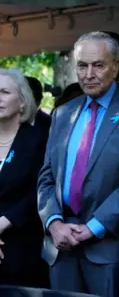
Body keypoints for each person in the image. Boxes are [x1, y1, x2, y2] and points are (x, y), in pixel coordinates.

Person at [37, 31, 119, 296]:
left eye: (98, 65)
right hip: (60, 247)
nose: (88, 74)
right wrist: (54, 223)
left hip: (108, 248)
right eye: (82, 65)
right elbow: (46, 175)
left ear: (116, 66)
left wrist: (93, 227)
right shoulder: (62, 113)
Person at [0, 69, 49, 287]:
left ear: (22, 102)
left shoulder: (38, 140)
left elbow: (38, 191)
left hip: (20, 244)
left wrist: (1, 223)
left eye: (4, 92)